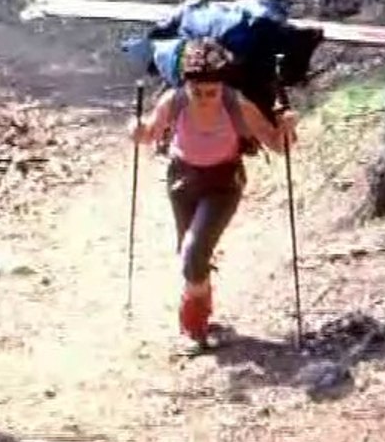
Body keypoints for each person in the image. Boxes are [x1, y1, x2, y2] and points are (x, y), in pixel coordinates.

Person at [127, 37, 299, 346]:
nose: (205, 98)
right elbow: (149, 133)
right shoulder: (174, 100)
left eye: (212, 92)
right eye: (197, 91)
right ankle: (202, 312)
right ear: (186, 85)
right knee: (190, 253)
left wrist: (287, 128)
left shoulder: (237, 103)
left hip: (223, 183)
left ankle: (193, 326)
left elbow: (277, 145)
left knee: (194, 252)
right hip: (181, 180)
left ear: (222, 86)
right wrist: (136, 129)